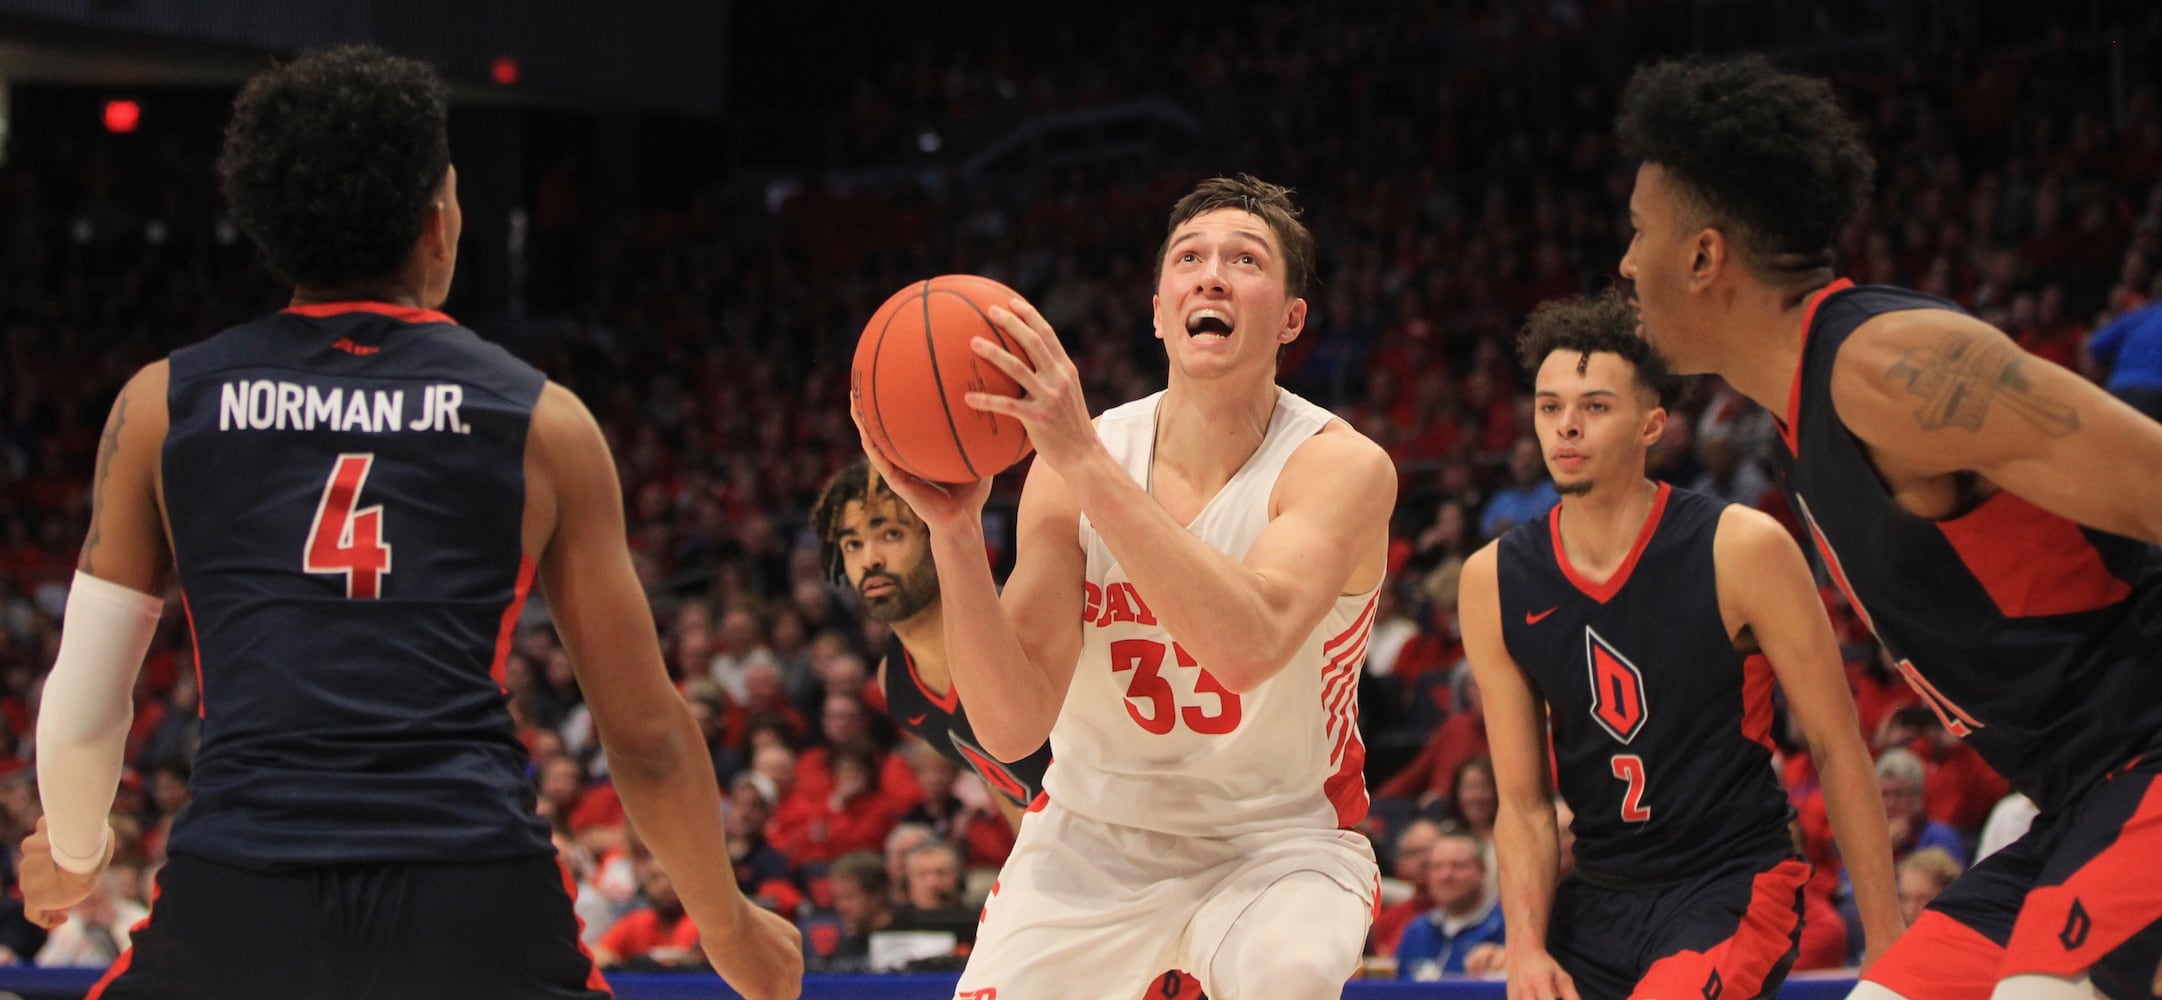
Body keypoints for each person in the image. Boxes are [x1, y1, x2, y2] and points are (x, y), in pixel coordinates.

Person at [17, 45, 799, 1000]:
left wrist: (74, 847)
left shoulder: (160, 406)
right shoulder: (543, 422)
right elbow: (643, 734)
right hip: (476, 895)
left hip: (244, 890)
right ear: (439, 224)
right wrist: (728, 926)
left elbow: (88, 697)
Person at [1617, 54, 2162, 1000]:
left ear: (1704, 257)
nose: (1625, 263)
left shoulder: (1888, 363)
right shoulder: (1803, 416)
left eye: (1636, 232)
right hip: (2078, 796)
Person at [858, 174, 1395, 998]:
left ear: (1291, 318)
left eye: (1245, 260)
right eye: (1190, 258)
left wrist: (1081, 462)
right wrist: (956, 533)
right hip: (1091, 841)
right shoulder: (1077, 461)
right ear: (1158, 309)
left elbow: (1246, 648)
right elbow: (1009, 726)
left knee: (1286, 978)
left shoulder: (1339, 467)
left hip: (1278, 844)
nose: (1212, 274)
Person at [1458, 291, 1903, 1000]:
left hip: (1731, 883)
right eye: (1549, 407)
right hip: (1598, 895)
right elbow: (1525, 805)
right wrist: (1525, 947)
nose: (1566, 427)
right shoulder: (1494, 579)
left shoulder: (1742, 547)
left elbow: (1836, 744)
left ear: (1652, 424)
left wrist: (1885, 941)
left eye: (1595, 407)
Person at [813, 458, 1202, 997]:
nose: (870, 559)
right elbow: (1008, 786)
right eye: (852, 544)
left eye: (891, 533)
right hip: (1085, 879)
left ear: (935, 533)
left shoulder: (1027, 617)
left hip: (1167, 853)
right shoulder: (896, 683)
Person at [1393, 831, 1505, 982]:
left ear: (1482, 871)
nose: (1446, 875)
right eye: (1437, 867)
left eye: (1458, 866)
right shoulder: (1416, 931)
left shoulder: (1507, 927)